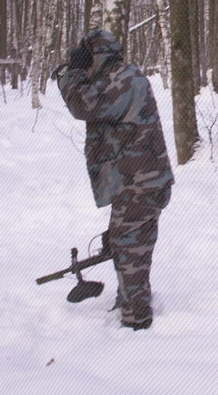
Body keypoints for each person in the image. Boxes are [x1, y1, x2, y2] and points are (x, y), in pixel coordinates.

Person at [56, 29, 174, 331]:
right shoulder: (119, 76)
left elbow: (83, 105)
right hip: (139, 182)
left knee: (130, 249)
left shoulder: (124, 79)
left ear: (97, 56)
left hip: (141, 183)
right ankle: (129, 303)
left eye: (87, 61)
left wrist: (73, 74)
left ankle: (136, 321)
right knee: (126, 245)